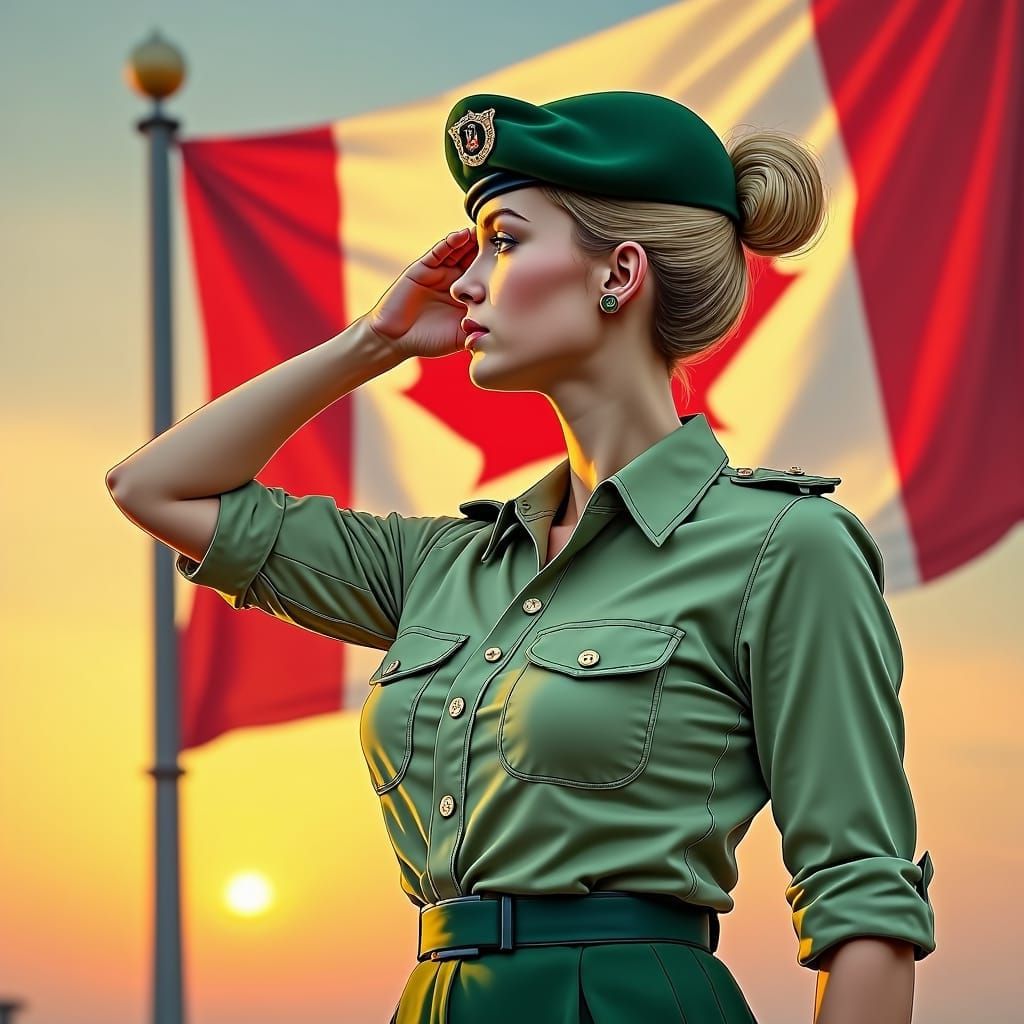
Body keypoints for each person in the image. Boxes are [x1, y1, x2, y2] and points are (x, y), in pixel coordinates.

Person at [107, 90, 937, 1023]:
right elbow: (156, 490)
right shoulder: (444, 566)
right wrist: (368, 344)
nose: (464, 283)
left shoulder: (785, 546)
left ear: (617, 273)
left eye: (503, 240)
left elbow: (863, 901)